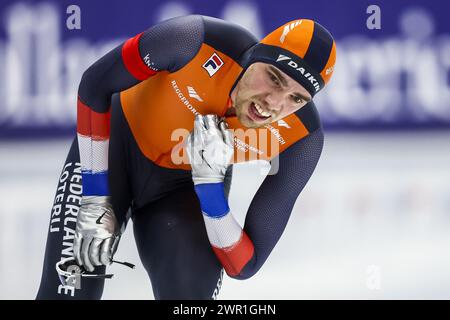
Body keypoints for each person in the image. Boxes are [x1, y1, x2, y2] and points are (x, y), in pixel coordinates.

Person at [36, 14, 336, 300]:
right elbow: (95, 84)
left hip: (186, 187)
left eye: (296, 98)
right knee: (68, 290)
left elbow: (244, 265)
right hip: (115, 153)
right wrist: (94, 197)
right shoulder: (193, 40)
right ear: (257, 56)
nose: (274, 103)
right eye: (274, 78)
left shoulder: (301, 137)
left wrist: (210, 189)